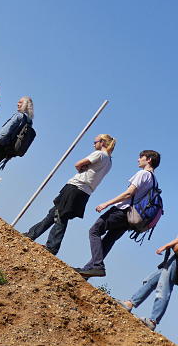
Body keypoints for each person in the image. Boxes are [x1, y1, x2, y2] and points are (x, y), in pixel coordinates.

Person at [75, 150, 162, 278]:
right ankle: (88, 270)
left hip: (122, 210)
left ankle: (97, 266)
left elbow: (129, 193)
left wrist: (107, 203)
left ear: (149, 160)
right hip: (131, 217)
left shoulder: (143, 174)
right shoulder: (154, 181)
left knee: (95, 230)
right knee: (109, 240)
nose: (138, 159)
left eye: (141, 157)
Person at [25, 134, 116, 255]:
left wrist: (81, 168)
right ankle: (32, 234)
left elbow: (78, 164)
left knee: (61, 216)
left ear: (103, 142)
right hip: (85, 192)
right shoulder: (109, 162)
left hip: (75, 187)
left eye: (95, 142)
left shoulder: (99, 154)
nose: (94, 144)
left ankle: (52, 247)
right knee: (54, 213)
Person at [118, 235, 178, 331]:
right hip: (173, 258)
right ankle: (130, 303)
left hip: (176, 260)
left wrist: (165, 246)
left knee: (164, 288)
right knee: (151, 281)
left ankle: (152, 321)